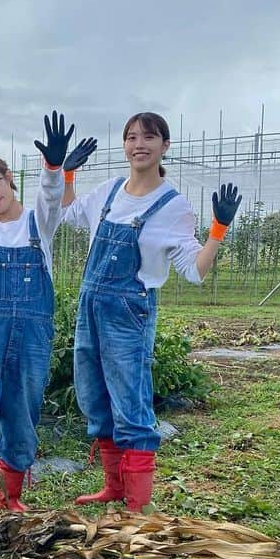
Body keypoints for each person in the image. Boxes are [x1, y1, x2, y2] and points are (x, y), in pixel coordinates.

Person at [61, 112, 241, 511]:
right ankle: (113, 486)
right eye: (131, 137)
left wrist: (218, 230)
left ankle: (137, 507)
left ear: (165, 146)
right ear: (124, 145)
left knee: (130, 400)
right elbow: (69, 213)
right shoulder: (109, 191)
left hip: (129, 311)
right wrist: (65, 174)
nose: (138, 144)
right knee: (94, 395)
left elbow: (193, 271)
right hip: (90, 306)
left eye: (149, 137)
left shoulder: (172, 206)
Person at [0, 112, 96, 559]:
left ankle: (9, 500)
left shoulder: (38, 226)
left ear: (9, 179)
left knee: (23, 421)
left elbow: (52, 202)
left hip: (31, 335)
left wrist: (54, 168)